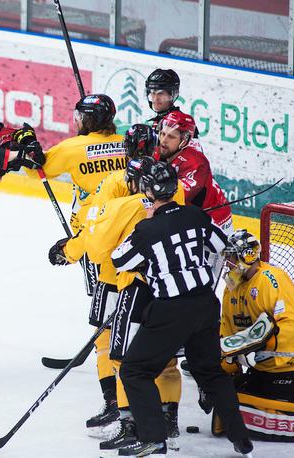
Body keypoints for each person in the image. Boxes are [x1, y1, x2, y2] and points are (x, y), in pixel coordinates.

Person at [110, 160, 252, 456]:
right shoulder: (197, 215)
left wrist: (147, 225)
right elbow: (220, 244)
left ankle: (153, 438)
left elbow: (119, 260)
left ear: (149, 192)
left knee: (135, 371)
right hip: (204, 305)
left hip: (170, 311)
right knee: (210, 372)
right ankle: (240, 437)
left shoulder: (146, 229)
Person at [47, 123, 147, 437]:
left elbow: (95, 235)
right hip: (152, 279)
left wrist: (70, 250)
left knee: (108, 345)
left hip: (113, 276)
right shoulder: (168, 183)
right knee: (140, 345)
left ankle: (118, 407)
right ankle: (153, 413)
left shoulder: (114, 183)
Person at [81, 157, 185, 453]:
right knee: (166, 361)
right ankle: (169, 423)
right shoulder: (178, 201)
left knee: (121, 358)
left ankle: (129, 424)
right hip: (171, 288)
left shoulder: (122, 204)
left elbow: (99, 250)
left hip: (131, 286)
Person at [220, 229, 294, 401]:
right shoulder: (232, 286)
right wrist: (227, 362)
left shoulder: (271, 280)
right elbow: (227, 324)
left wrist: (264, 354)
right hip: (263, 365)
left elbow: (293, 324)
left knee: (269, 401)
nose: (227, 262)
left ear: (245, 256)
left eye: (230, 257)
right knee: (234, 394)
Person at [38, 94, 124, 296]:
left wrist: (30, 148)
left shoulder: (72, 148)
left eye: (80, 115)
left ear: (88, 120)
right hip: (128, 228)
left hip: (91, 232)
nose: (76, 120)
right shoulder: (126, 143)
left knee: (102, 298)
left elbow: (38, 170)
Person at [144, 68, 198, 139]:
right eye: (153, 93)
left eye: (160, 93)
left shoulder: (182, 123)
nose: (155, 98)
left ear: (172, 95)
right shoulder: (159, 120)